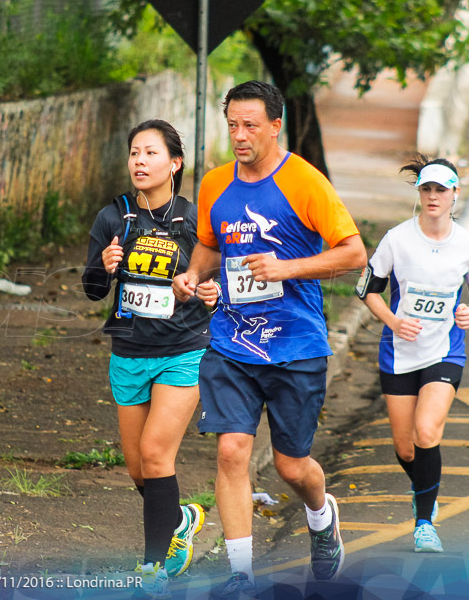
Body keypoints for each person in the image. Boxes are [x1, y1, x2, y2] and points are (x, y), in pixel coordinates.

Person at [172, 80, 366, 597]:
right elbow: (209, 247)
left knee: (290, 465)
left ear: (275, 126)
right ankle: (240, 575)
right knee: (232, 450)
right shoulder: (214, 184)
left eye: (250, 125)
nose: (239, 135)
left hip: (296, 345)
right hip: (232, 342)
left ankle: (322, 518)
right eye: (232, 124)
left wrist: (287, 268)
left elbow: (353, 254)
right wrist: (191, 276)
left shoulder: (305, 182)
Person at [82, 119, 214, 598]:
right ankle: (181, 519)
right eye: (134, 153)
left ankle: (152, 568)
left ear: (174, 163)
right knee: (138, 469)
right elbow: (93, 290)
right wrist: (105, 266)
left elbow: (213, 282)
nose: (140, 161)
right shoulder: (112, 218)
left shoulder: (196, 221)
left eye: (151, 153)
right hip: (129, 351)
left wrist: (210, 291)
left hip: (182, 350)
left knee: (158, 455)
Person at [356, 155, 469, 554]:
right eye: (427, 189)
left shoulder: (467, 243)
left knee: (427, 431)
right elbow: (367, 290)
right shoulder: (397, 239)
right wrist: (393, 323)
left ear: (454, 195)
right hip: (398, 354)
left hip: (444, 352)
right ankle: (425, 491)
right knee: (406, 448)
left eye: (441, 190)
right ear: (420, 193)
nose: (433, 196)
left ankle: (424, 522)